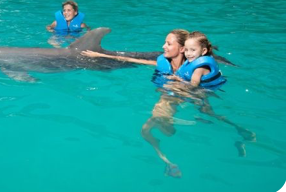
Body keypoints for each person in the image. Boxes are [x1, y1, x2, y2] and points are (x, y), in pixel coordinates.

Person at [81, 29, 255, 178]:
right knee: (205, 115)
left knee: (146, 129)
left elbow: (193, 85)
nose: (163, 46)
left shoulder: (194, 67)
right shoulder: (166, 62)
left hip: (181, 95)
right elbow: (137, 61)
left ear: (182, 49)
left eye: (168, 43)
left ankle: (170, 159)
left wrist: (178, 84)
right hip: (180, 95)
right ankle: (240, 132)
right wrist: (101, 55)